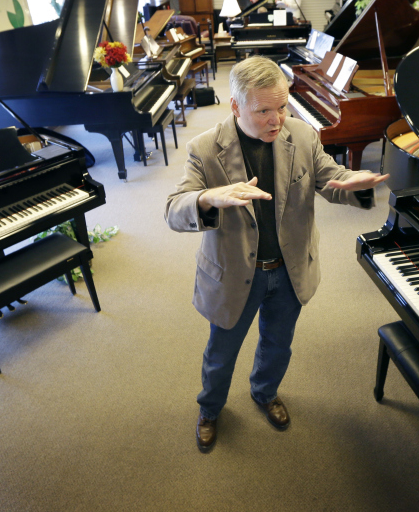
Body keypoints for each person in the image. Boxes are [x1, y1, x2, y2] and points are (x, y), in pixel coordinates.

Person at [164, 56, 388, 453]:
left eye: (282, 106)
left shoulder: (302, 135)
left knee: (278, 343)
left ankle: (265, 392)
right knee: (221, 353)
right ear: (236, 107)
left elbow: (327, 177)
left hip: (288, 269)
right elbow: (174, 209)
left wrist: (352, 182)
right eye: (263, 110)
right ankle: (210, 409)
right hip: (234, 275)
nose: (277, 118)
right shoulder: (205, 148)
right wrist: (207, 198)